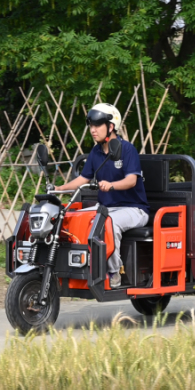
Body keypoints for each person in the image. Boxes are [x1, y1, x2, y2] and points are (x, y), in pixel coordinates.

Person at [55, 103, 149, 288]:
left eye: (97, 125)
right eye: (91, 125)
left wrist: (111, 185)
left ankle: (115, 272)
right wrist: (60, 188)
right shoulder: (96, 152)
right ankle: (79, 265)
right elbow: (83, 178)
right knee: (73, 217)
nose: (92, 130)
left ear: (111, 126)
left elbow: (131, 180)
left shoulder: (127, 149)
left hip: (134, 209)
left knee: (108, 223)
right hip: (107, 208)